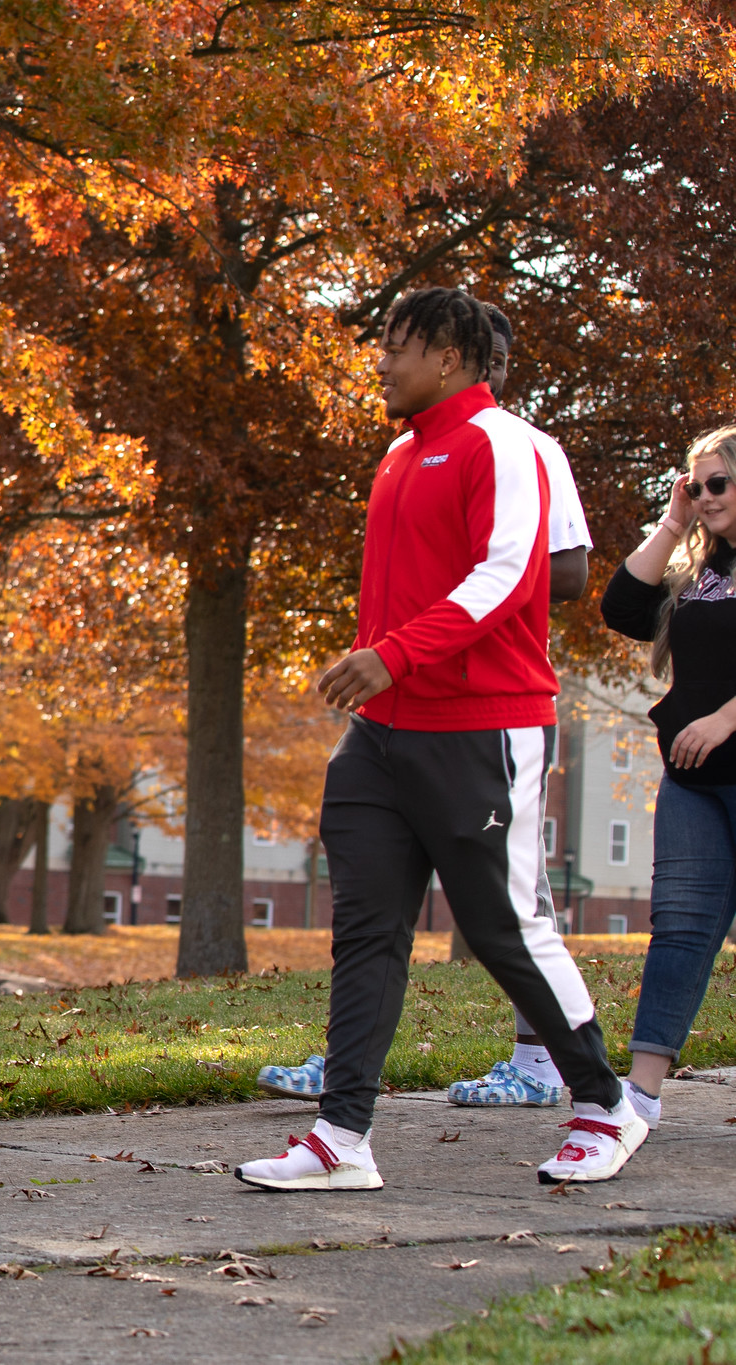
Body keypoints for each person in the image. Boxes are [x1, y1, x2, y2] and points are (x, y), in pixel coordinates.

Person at [237, 287, 643, 1192]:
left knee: (504, 926)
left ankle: (604, 1103)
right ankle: (340, 1136)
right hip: (382, 737)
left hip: (482, 727)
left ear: (449, 359)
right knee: (366, 929)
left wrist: (393, 655)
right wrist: (379, 673)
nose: (381, 361)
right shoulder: (396, 454)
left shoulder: (503, 443)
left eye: (397, 346)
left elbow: (511, 574)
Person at [599, 426, 736, 1132]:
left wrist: (724, 717)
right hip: (692, 782)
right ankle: (641, 1095)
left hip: (723, 753)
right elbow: (620, 607)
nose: (705, 494)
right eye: (696, 483)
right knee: (678, 930)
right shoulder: (698, 571)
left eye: (718, 483)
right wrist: (672, 520)